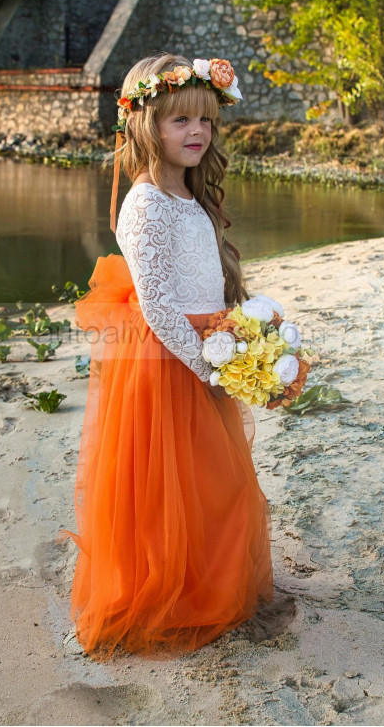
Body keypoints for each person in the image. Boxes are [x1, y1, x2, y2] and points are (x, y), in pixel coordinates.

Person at [59, 53, 273, 659]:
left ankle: (208, 584)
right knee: (174, 489)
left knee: (214, 485)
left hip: (201, 351)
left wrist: (238, 343)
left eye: (204, 120)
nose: (197, 132)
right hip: (166, 367)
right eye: (179, 120)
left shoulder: (188, 194)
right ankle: (174, 599)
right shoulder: (147, 203)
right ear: (145, 124)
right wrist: (213, 368)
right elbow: (156, 309)